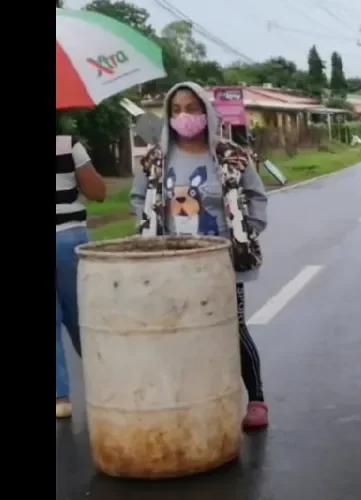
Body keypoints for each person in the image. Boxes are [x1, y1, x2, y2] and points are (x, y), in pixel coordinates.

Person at [129, 82, 270, 430]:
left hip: (222, 262)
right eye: (176, 110)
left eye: (191, 108)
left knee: (233, 329)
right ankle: (193, 399)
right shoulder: (155, 159)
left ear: (206, 112)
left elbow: (256, 197)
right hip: (170, 262)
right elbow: (137, 198)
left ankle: (256, 399)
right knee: (179, 330)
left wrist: (245, 231)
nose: (184, 116)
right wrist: (146, 225)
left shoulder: (230, 155)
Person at [56, 115, 107, 418]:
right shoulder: (68, 145)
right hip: (69, 240)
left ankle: (60, 397)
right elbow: (98, 192)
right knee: (82, 315)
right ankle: (103, 378)